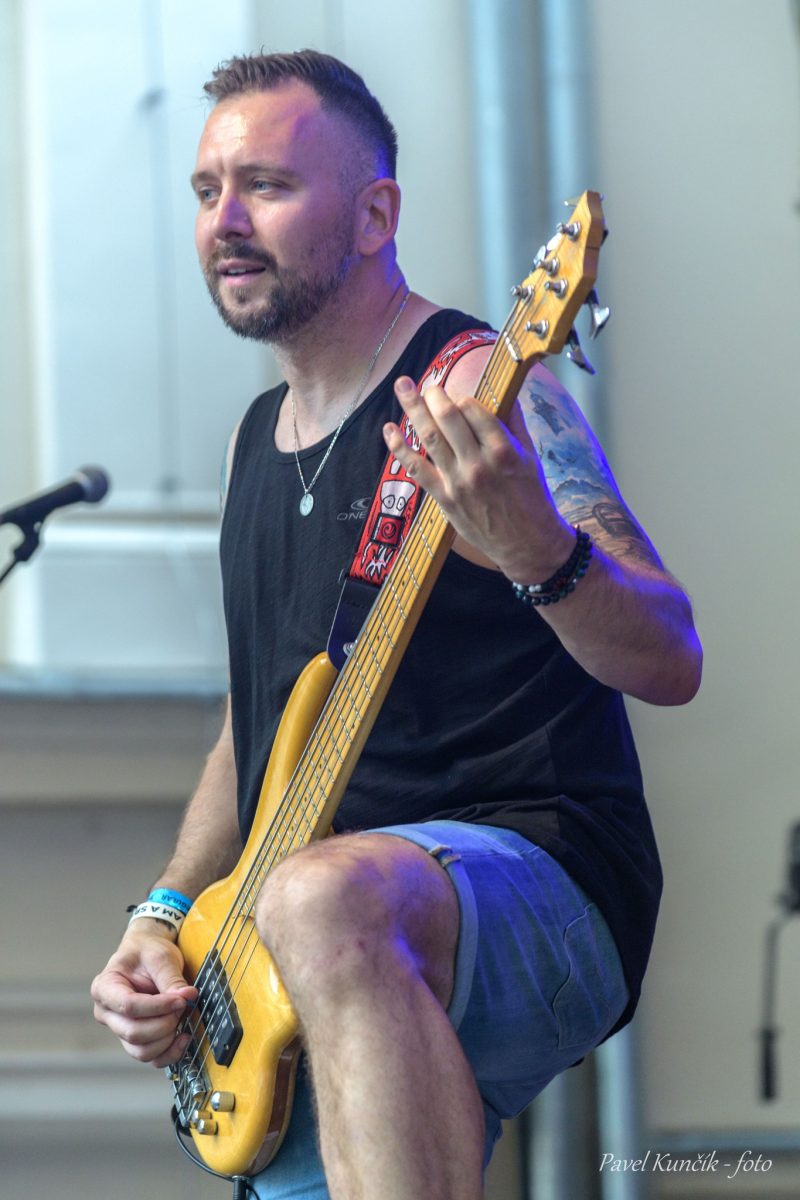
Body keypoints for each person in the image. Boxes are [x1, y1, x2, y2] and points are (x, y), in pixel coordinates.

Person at [91, 50, 702, 1200]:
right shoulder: (250, 444)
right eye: (207, 190)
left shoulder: (481, 389)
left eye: (267, 185)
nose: (225, 220)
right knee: (309, 918)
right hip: (312, 938)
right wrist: (166, 914)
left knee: (321, 898)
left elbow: (669, 656)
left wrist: (537, 547)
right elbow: (251, 729)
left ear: (375, 214)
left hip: (536, 873)